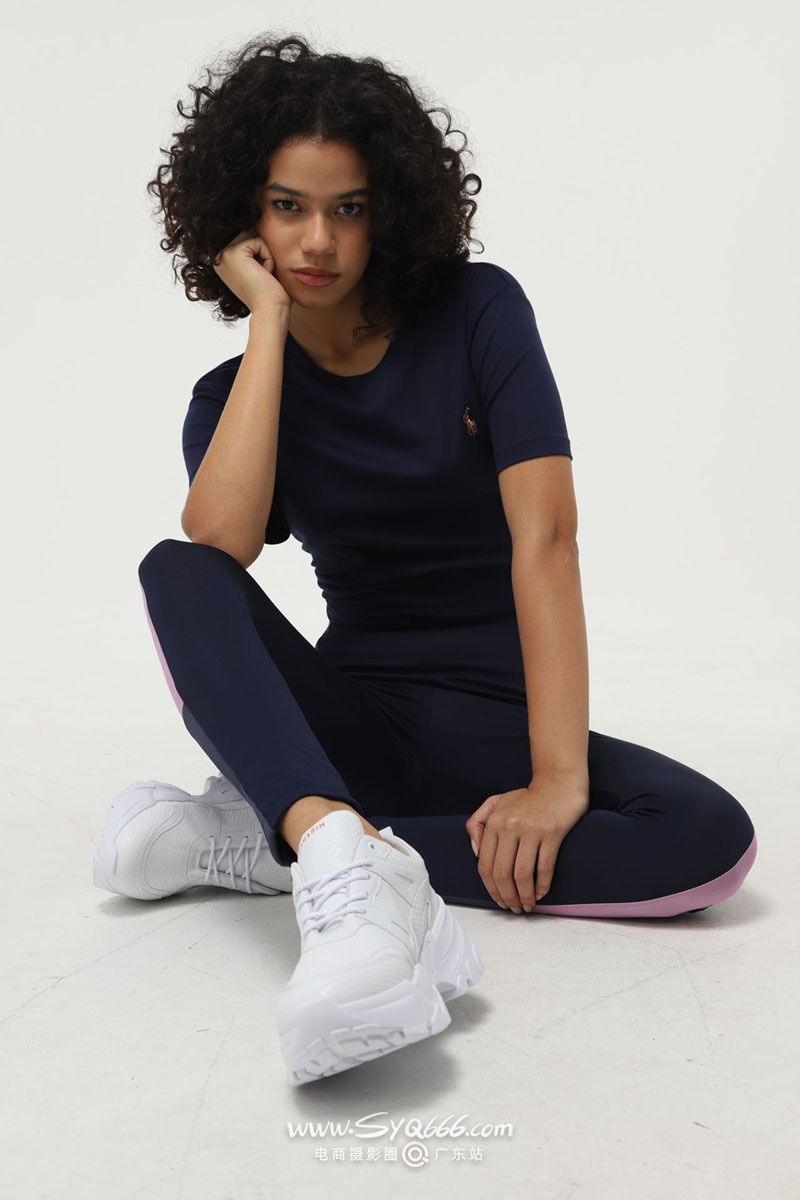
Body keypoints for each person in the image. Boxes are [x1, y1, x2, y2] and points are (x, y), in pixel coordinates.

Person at [93, 33, 757, 1086]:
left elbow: (546, 536)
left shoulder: (478, 313)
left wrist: (555, 779)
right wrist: (268, 324)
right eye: (287, 206)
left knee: (707, 838)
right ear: (240, 216)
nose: (317, 240)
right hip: (349, 719)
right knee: (175, 569)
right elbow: (216, 548)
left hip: (501, 728)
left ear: (390, 211)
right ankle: (329, 837)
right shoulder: (231, 400)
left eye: (348, 208)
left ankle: (302, 846)